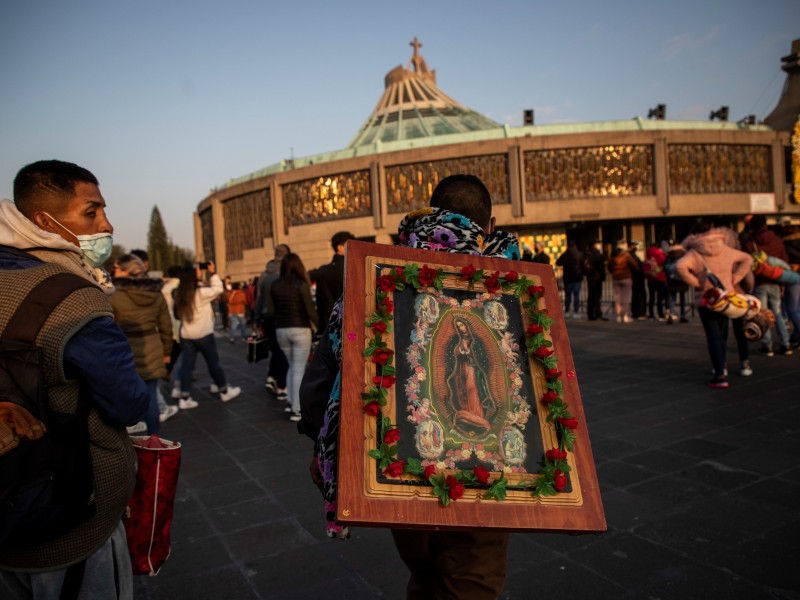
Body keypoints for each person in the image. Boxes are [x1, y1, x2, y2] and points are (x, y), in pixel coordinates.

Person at [299, 174, 519, 598]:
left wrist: (321, 446)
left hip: (400, 468)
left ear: (430, 214)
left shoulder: (376, 276)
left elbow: (323, 374)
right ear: (488, 226)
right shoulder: (513, 284)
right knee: (470, 583)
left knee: (423, 574)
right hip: (485, 476)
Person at [0, 159, 149, 597]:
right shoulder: (72, 296)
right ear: (45, 221)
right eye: (91, 212)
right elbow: (127, 403)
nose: (107, 224)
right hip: (69, 518)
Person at [676, 221, 753, 388]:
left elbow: (680, 266)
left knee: (714, 337)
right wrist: (736, 278)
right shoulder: (725, 248)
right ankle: (724, 366)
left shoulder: (695, 253)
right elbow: (747, 258)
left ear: (695, 235)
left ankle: (720, 372)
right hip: (726, 297)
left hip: (707, 298)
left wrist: (697, 283)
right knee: (723, 332)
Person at [110, 253, 172, 435]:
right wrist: (166, 350)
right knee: (151, 396)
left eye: (117, 269)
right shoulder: (155, 291)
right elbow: (165, 325)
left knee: (127, 395)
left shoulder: (115, 295)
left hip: (125, 349)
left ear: (126, 271)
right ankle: (154, 438)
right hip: (152, 344)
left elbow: (110, 328)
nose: (114, 272)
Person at [174, 261, 241, 408]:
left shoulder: (179, 294)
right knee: (213, 364)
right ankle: (223, 390)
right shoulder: (200, 293)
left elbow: (177, 315)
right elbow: (218, 289)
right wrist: (213, 272)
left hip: (186, 335)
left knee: (187, 366)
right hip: (203, 334)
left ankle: (184, 397)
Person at [268, 253, 318, 422]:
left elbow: (270, 311)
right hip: (300, 329)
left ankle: (291, 402)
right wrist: (319, 326)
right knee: (298, 368)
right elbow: (310, 310)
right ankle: (297, 408)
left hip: (281, 330)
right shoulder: (302, 285)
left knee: (292, 366)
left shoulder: (275, 285)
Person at [741, 215, 793, 356]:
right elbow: (784, 260)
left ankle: (767, 345)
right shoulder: (776, 240)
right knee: (777, 313)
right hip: (775, 280)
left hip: (759, 282)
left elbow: (746, 264)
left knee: (762, 314)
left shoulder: (750, 242)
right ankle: (785, 343)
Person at [445, 317, 497, 436]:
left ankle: (477, 417)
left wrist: (469, 354)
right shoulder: (458, 340)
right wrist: (459, 354)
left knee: (472, 389)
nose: (460, 328)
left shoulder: (476, 341)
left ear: (467, 325)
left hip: (472, 368)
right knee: (461, 392)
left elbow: (482, 358)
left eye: (461, 325)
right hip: (460, 369)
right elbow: (453, 356)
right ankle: (466, 417)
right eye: (458, 326)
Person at [255, 244, 291, 400]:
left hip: (265, 316)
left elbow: (258, 299)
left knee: (276, 348)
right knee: (282, 350)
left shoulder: (263, 274)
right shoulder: (285, 271)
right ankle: (282, 385)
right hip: (281, 315)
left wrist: (256, 319)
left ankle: (272, 377)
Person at [311, 231, 355, 331]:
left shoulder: (323, 271)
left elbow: (320, 301)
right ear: (340, 247)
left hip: (329, 326)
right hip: (350, 325)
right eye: (351, 245)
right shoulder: (351, 268)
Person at [608, 241, 638, 323]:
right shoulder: (626, 255)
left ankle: (618, 316)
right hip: (626, 277)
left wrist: (614, 272)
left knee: (617, 297)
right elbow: (634, 265)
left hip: (616, 277)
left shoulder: (612, 257)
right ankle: (625, 315)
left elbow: (609, 267)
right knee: (626, 297)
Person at [555, 239, 583, 318]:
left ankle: (567, 311)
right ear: (575, 245)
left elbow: (558, 262)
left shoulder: (565, 254)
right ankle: (576, 312)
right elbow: (583, 264)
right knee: (576, 296)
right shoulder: (579, 254)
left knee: (568, 296)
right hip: (577, 278)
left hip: (567, 278)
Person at [663, 243, 690, 324]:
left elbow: (664, 267)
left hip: (671, 280)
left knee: (672, 298)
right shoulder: (683, 256)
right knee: (682, 298)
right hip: (682, 279)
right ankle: (682, 316)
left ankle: (670, 314)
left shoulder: (669, 257)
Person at [584, 240, 607, 320]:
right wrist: (603, 276)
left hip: (590, 277)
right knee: (597, 296)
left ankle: (591, 314)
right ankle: (597, 313)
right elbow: (601, 266)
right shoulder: (597, 253)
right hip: (597, 277)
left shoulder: (587, 253)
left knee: (591, 296)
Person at [643, 243, 667, 321]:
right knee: (660, 298)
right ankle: (660, 314)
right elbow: (663, 263)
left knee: (651, 297)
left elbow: (645, 267)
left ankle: (651, 314)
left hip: (651, 279)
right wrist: (658, 271)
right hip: (660, 278)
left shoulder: (648, 254)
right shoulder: (659, 253)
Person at [628, 241, 647, 320]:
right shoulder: (631, 255)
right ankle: (639, 312)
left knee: (636, 295)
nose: (635, 247)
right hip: (637, 278)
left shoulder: (632, 255)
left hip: (635, 278)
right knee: (639, 295)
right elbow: (637, 267)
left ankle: (636, 312)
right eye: (634, 245)